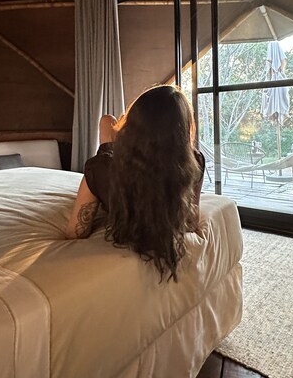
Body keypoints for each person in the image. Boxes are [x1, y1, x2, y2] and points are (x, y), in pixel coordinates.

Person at [65, 84, 205, 281]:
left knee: (106, 123)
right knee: (107, 123)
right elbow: (191, 220)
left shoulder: (99, 169)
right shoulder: (195, 161)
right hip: (128, 160)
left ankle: (119, 135)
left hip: (120, 161)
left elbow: (75, 233)